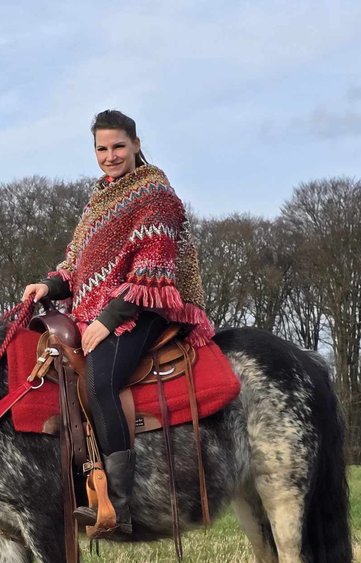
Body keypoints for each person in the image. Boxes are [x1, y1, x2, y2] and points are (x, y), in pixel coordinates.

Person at [20, 109, 215, 535]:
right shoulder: (98, 200)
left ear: (136, 144)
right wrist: (48, 287)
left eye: (117, 147)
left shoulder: (156, 196)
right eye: (101, 149)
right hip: (100, 309)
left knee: (100, 383)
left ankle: (119, 508)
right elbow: (75, 264)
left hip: (147, 308)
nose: (109, 156)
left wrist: (108, 319)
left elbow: (152, 269)